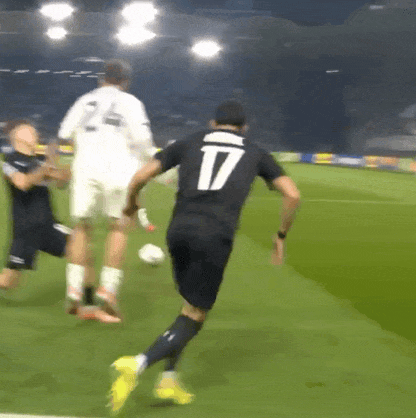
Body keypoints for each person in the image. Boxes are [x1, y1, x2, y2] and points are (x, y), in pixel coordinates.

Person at [107, 100, 302, 415]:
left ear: (213, 123)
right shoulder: (256, 152)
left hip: (178, 231)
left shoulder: (190, 141)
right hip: (214, 235)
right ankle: (139, 363)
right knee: (196, 314)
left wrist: (130, 206)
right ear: (244, 127)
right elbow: (292, 194)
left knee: (189, 307)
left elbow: (141, 176)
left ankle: (169, 379)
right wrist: (280, 236)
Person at [0, 120, 118, 323]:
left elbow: (62, 180)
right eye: (32, 133)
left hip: (49, 226)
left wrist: (80, 161)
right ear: (19, 137)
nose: (36, 136)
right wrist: (46, 166)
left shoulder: (40, 160)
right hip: (25, 231)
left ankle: (88, 307)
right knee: (9, 282)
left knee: (84, 252)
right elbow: (23, 183)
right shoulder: (10, 161)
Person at [57, 59, 154, 320]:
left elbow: (64, 133)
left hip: (85, 168)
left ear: (101, 78)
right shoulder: (131, 102)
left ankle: (75, 289)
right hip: (119, 170)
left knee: (81, 227)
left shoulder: (84, 100)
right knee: (118, 227)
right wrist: (149, 165)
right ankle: (108, 290)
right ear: (126, 81)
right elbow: (143, 141)